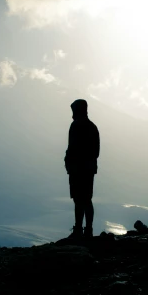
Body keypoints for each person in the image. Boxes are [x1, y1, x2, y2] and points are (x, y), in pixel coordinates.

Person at [64, 99, 100, 238]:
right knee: (84, 199)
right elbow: (96, 152)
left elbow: (72, 148)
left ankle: (80, 229)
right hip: (86, 169)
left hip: (79, 169)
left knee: (80, 200)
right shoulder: (92, 127)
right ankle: (86, 230)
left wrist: (72, 162)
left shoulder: (76, 126)